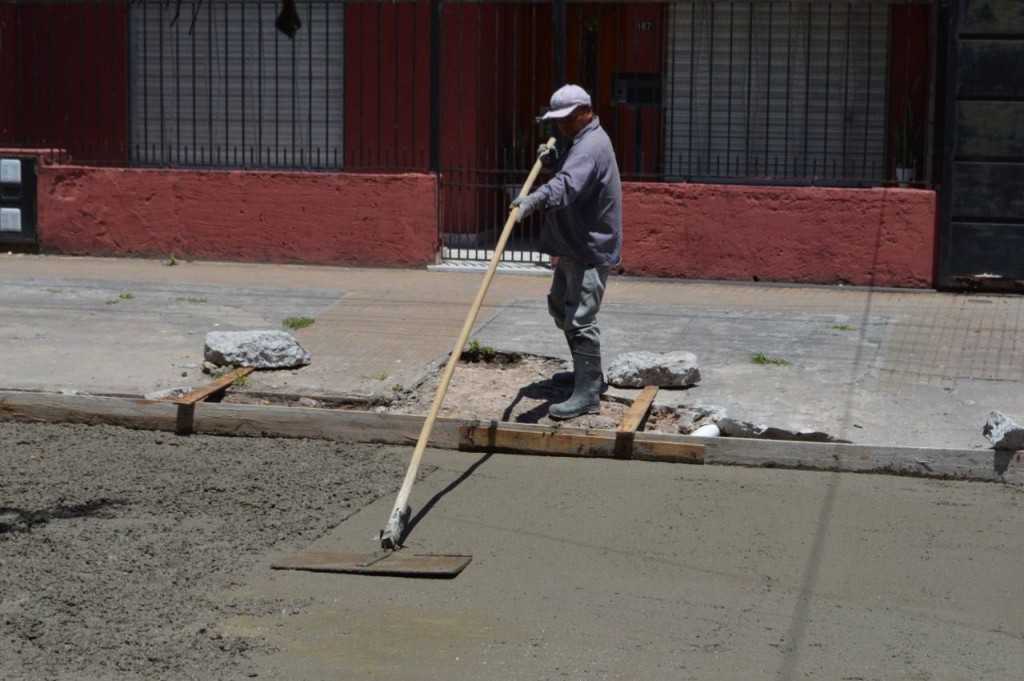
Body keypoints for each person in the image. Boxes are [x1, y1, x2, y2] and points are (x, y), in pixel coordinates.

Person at [510, 84, 623, 420]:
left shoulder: (590, 146)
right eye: (557, 120)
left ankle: (588, 393)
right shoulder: (582, 140)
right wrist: (554, 160)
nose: (559, 125)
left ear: (584, 112)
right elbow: (571, 173)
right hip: (574, 243)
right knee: (561, 306)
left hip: (589, 246)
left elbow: (567, 185)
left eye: (565, 118)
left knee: (580, 317)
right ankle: (585, 373)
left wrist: (533, 200)